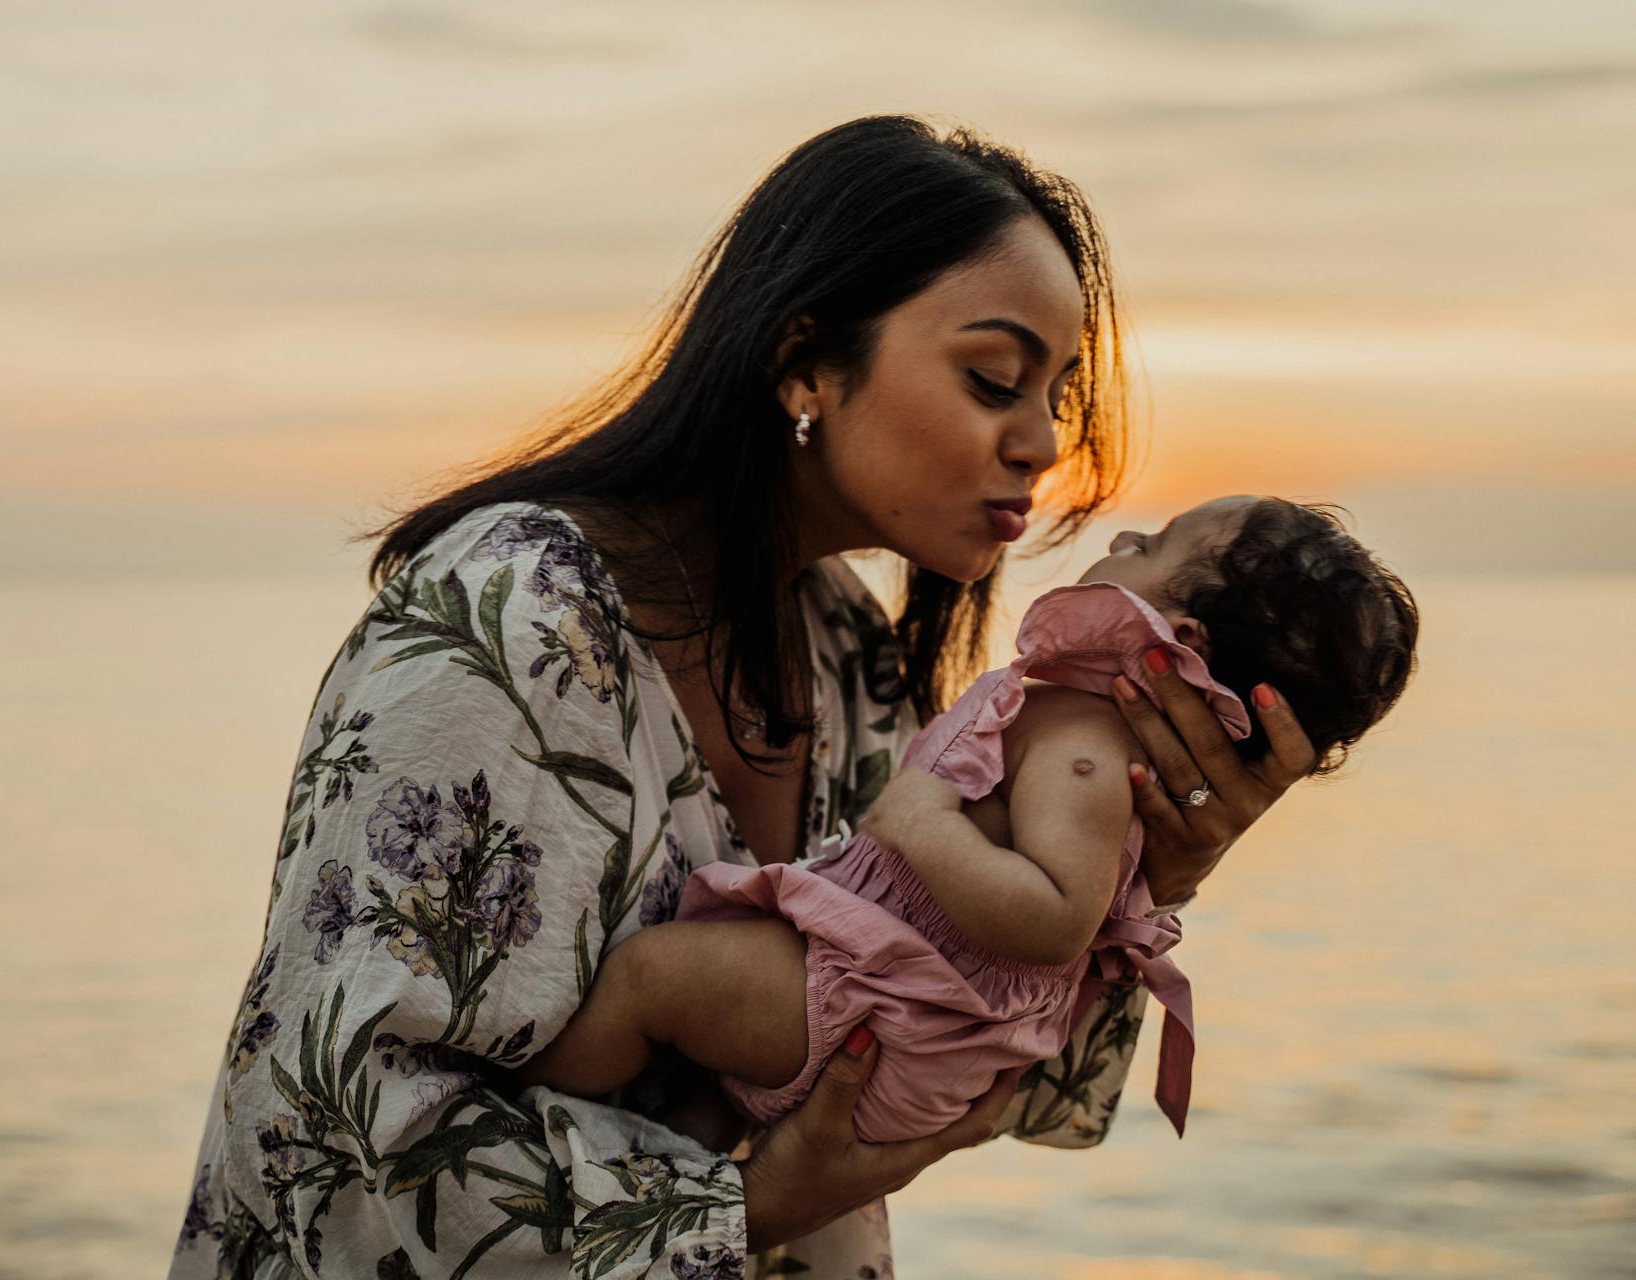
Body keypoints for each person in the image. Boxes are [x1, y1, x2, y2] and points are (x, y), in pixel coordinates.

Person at [167, 115, 1322, 1279]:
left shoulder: (844, 652)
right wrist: (757, 1198)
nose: (1042, 444)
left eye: (1056, 396)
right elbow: (328, 1149)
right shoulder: (503, 626)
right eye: (993, 379)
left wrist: (1148, 873)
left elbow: (995, 1077)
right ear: (805, 362)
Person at [511, 495, 1420, 1148]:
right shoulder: (1066, 722)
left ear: (1179, 643)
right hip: (888, 998)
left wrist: (917, 822)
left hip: (890, 1010)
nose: (1124, 532)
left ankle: (519, 1123)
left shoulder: (1088, 750)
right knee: (708, 1107)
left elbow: (1059, 919)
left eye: (1156, 542)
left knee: (648, 978)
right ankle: (677, 1174)